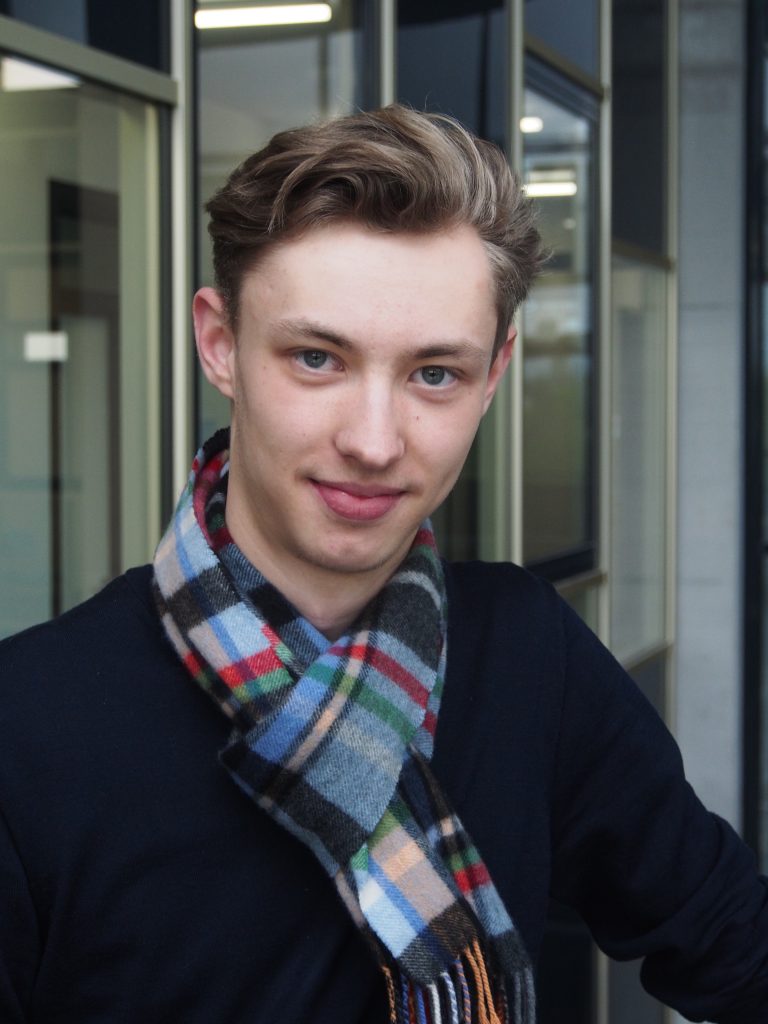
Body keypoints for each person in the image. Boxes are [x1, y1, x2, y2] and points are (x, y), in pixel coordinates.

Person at [0, 105, 766, 1024]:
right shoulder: (25, 725)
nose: (373, 442)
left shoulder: (527, 654)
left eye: (434, 374)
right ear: (220, 344)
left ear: (493, 375)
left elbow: (733, 942)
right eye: (316, 358)